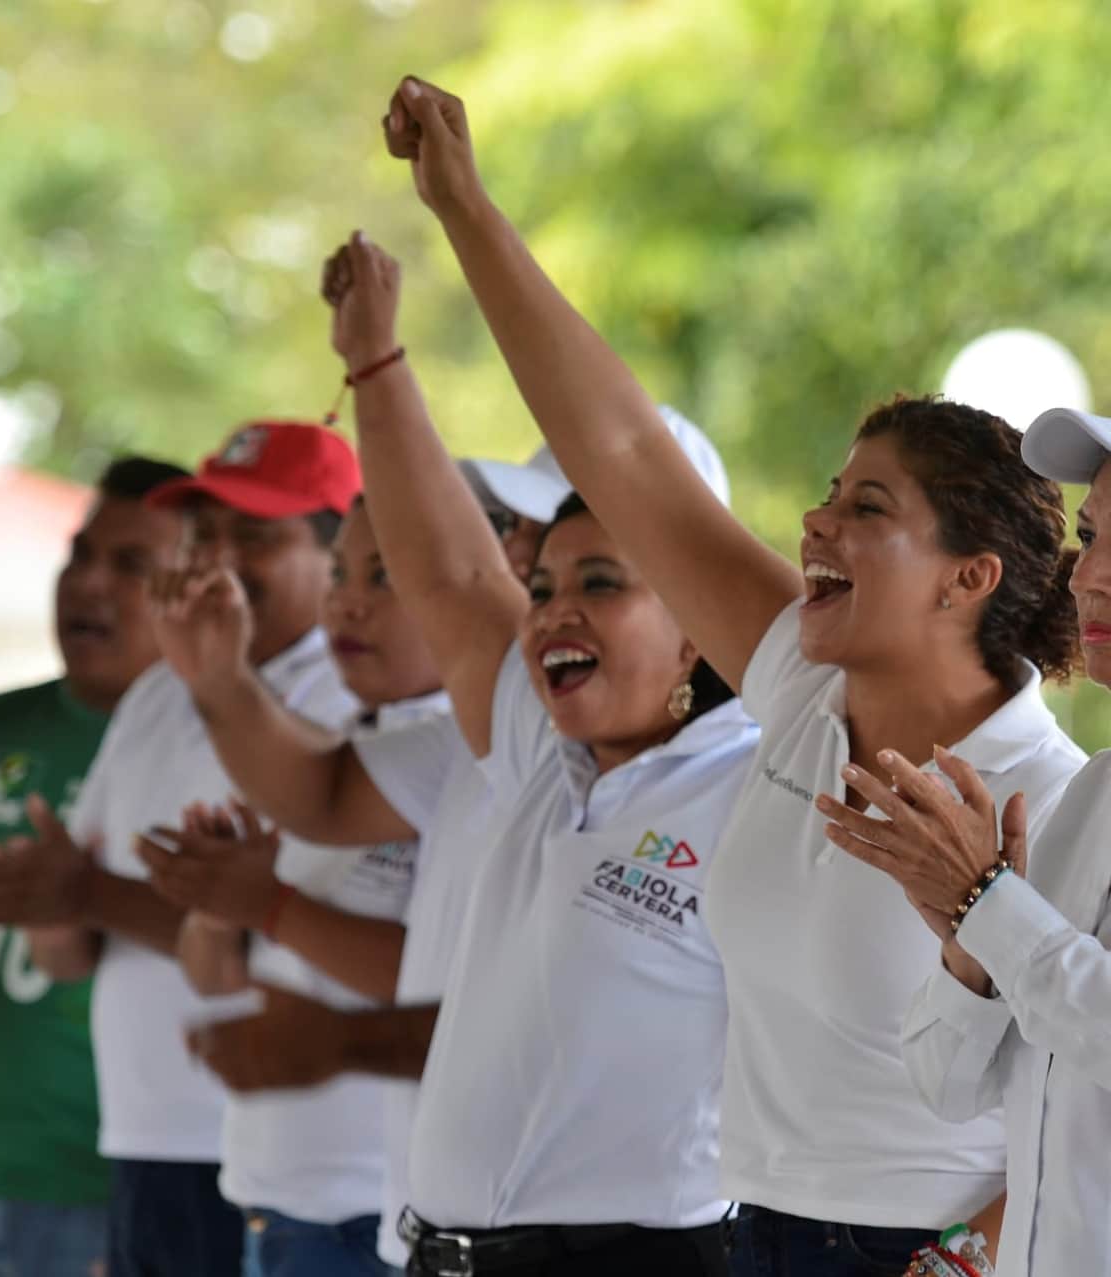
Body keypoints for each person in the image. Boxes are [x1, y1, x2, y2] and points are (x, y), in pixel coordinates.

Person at [378, 77, 1089, 1275]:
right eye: (827, 490)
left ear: (969, 578)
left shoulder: (1051, 794)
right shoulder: (804, 697)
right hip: (740, 1232)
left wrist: (961, 1263)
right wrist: (464, 209)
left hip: (923, 1256)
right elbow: (625, 452)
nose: (815, 522)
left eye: (867, 506)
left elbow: (1088, 1092)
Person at [316, 229, 760, 1277]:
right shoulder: (540, 749)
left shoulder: (762, 778)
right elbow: (453, 580)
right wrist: (374, 359)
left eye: (602, 581)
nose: (553, 610)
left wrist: (463, 208)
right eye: (547, 585)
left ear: (698, 621)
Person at [0, 421, 361, 1277]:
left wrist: (82, 892)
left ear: (335, 554)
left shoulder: (350, 700)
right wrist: (38, 899)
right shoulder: (160, 691)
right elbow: (69, 948)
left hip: (274, 1161)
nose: (219, 561)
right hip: (140, 1143)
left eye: (254, 536)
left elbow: (283, 941)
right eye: (204, 536)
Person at [818, 405, 1111, 1277]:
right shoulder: (1092, 795)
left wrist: (990, 905)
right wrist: (972, 942)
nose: (1087, 576)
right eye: (1090, 535)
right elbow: (950, 1085)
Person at [138, 493, 449, 1277]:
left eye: (388, 576)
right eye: (343, 572)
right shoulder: (338, 756)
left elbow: (448, 977)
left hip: (368, 1216)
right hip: (273, 1205)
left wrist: (269, 905)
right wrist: (217, 908)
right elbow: (217, 977)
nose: (349, 598)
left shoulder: (477, 766)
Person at [0, 456, 188, 1277]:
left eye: (131, 564)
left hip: (113, 1191)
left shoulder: (216, 749)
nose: (88, 584)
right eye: (80, 554)